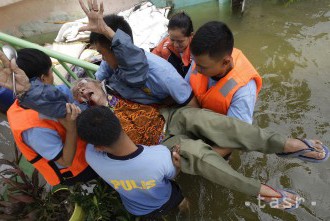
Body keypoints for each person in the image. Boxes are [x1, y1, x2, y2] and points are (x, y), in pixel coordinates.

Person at [3, 48, 97, 186]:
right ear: (43, 78)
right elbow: (65, 161)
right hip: (78, 170)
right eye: (51, 71)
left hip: (87, 150)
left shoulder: (51, 93)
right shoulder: (34, 128)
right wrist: (71, 129)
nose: (53, 76)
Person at [77, 106, 189, 218]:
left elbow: (90, 145)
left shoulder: (91, 156)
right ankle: (184, 207)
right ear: (119, 120)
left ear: (98, 147)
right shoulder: (160, 155)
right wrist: (178, 165)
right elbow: (173, 174)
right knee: (183, 203)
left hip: (138, 210)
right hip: (168, 199)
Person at [85, 11, 196, 106]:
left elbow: (190, 102)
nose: (102, 59)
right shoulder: (111, 63)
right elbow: (98, 80)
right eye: (173, 40)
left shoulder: (164, 75)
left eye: (102, 53)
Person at [189, 21, 262, 124]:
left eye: (202, 67)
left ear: (225, 62)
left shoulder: (243, 92)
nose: (197, 69)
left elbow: (235, 134)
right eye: (195, 63)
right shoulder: (201, 60)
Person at [152, 11, 194, 79]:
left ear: (191, 36)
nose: (176, 45)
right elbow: (152, 58)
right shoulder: (165, 45)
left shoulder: (198, 51)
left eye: (180, 41)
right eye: (172, 39)